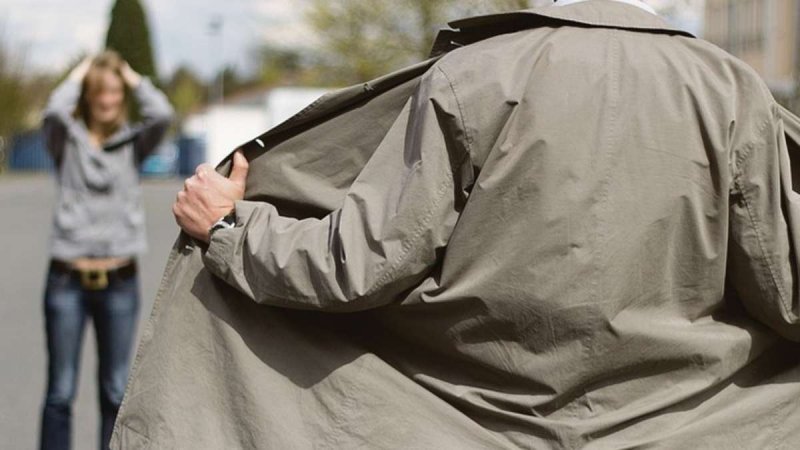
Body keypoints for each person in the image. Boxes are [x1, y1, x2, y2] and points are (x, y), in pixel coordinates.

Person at [115, 1, 800, 448]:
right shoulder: (730, 89)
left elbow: (354, 266)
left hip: (467, 426)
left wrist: (230, 228)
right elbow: (785, 283)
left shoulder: (472, 75)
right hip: (690, 428)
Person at [39, 51, 173, 450]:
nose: (107, 99)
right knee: (60, 393)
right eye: (99, 91)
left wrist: (130, 75)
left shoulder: (135, 143)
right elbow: (52, 110)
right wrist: (80, 71)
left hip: (119, 283)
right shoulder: (66, 140)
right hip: (66, 281)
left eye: (114, 91)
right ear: (87, 94)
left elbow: (163, 113)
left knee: (116, 391)